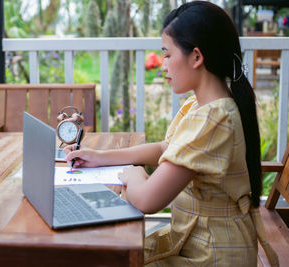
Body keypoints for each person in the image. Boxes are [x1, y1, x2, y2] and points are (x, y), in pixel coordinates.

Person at [64, 1, 279, 266]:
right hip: (197, 239)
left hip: (213, 253)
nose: (162, 65)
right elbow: (165, 148)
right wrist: (101, 157)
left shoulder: (214, 118)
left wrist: (135, 174)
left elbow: (146, 199)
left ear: (197, 57)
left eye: (167, 55)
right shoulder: (203, 104)